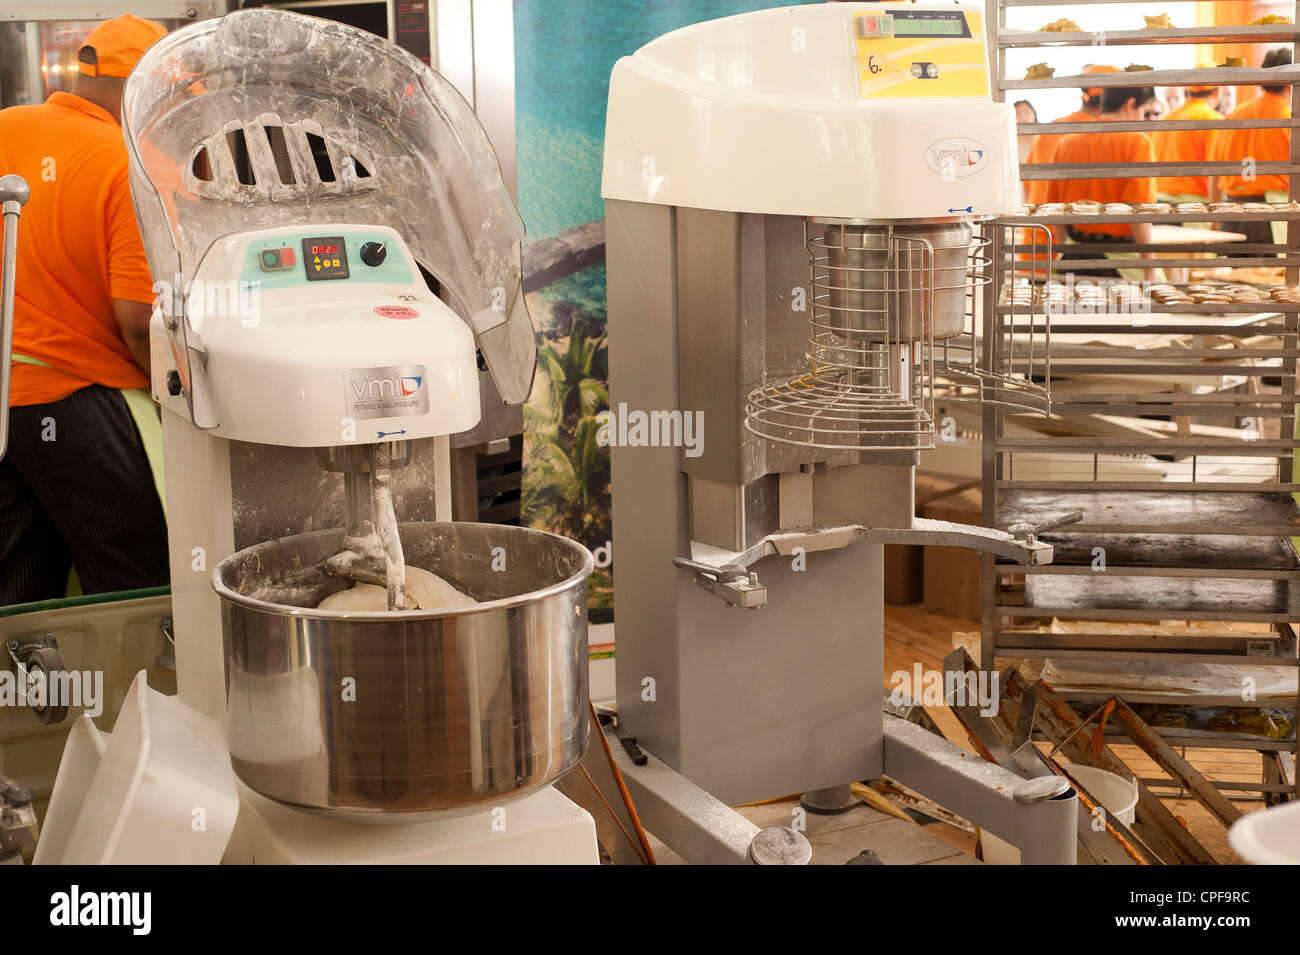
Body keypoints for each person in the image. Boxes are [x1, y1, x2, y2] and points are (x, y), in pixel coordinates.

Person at [0, 14, 170, 604]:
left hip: (6, 397)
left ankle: (26, 697)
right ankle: (138, 698)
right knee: (136, 585)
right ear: (140, 87)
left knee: (20, 596)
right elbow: (136, 320)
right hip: (79, 405)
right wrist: (180, 395)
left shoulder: (7, 126)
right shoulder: (129, 161)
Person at [1046, 85, 1162, 280]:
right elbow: (1139, 210)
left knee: (1073, 310)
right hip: (1120, 261)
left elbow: (1057, 210)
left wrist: (1066, 249)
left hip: (1073, 256)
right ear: (1130, 104)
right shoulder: (1137, 143)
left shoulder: (1066, 144)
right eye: (1143, 113)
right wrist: (1149, 264)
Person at [1209, 48, 1293, 249]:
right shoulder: (1290, 119)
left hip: (1230, 212)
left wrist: (1213, 218)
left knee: (1234, 279)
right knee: (1272, 278)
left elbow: (1214, 172)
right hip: (1270, 217)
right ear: (1291, 84)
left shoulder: (1236, 115)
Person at [1022, 64, 1121, 204]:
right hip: (1069, 224)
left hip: (1036, 224)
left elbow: (1027, 183)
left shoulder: (1052, 127)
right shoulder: (1098, 136)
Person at [1153, 84, 1224, 206]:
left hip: (1158, 203)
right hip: (1191, 208)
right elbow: (1217, 173)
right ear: (1217, 93)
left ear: (1187, 92)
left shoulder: (1167, 119)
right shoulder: (1213, 120)